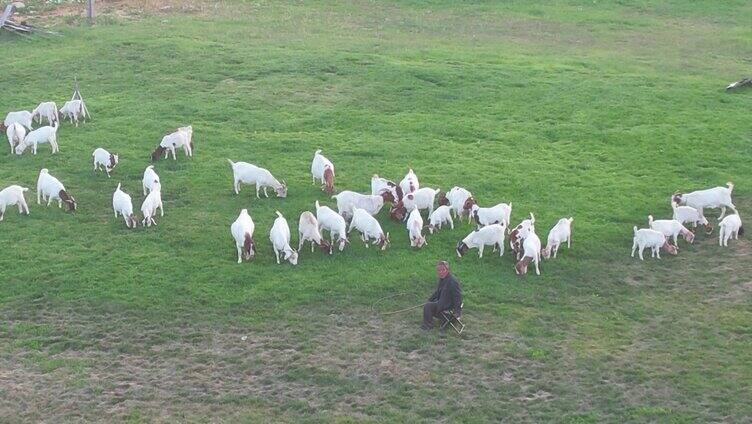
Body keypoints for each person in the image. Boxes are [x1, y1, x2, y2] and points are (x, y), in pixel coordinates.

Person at [421, 261, 462, 330]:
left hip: (448, 307)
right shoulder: (442, 279)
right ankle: (430, 322)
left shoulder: (452, 281)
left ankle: (428, 326)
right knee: (428, 304)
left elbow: (458, 297)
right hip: (442, 303)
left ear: (448, 270)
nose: (440, 272)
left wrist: (457, 312)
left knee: (428, 306)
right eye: (439, 270)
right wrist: (429, 299)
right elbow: (437, 292)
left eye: (443, 270)